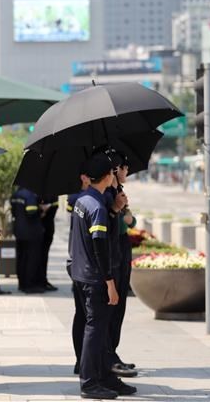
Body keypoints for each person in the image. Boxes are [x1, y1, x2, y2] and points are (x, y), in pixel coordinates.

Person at [70, 153, 135, 399]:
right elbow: (99, 245)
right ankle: (89, 383)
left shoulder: (83, 199)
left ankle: (105, 376)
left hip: (83, 273)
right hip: (96, 277)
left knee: (98, 328)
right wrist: (110, 282)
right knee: (96, 330)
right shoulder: (96, 206)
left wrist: (114, 210)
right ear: (108, 177)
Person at [106, 150, 138, 377]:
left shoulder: (119, 192)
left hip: (122, 246)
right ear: (116, 170)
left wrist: (125, 212)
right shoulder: (107, 195)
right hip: (113, 250)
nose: (128, 172)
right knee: (111, 308)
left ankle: (112, 353)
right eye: (126, 168)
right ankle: (107, 357)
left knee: (120, 307)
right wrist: (118, 210)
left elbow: (132, 220)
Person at [67, 165, 91, 376]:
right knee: (86, 316)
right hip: (83, 262)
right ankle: (83, 361)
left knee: (85, 315)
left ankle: (85, 361)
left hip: (79, 261)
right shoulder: (79, 199)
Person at [10, 186, 45, 293]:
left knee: (21, 258)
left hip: (19, 231)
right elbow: (31, 211)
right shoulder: (29, 195)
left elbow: (14, 212)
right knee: (31, 259)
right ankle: (29, 285)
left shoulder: (15, 194)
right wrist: (41, 210)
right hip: (31, 233)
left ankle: (22, 283)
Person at [39, 195, 59, 291]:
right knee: (38, 256)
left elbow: (54, 208)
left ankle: (42, 280)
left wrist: (44, 212)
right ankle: (39, 280)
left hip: (46, 229)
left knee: (43, 256)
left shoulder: (53, 195)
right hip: (38, 229)